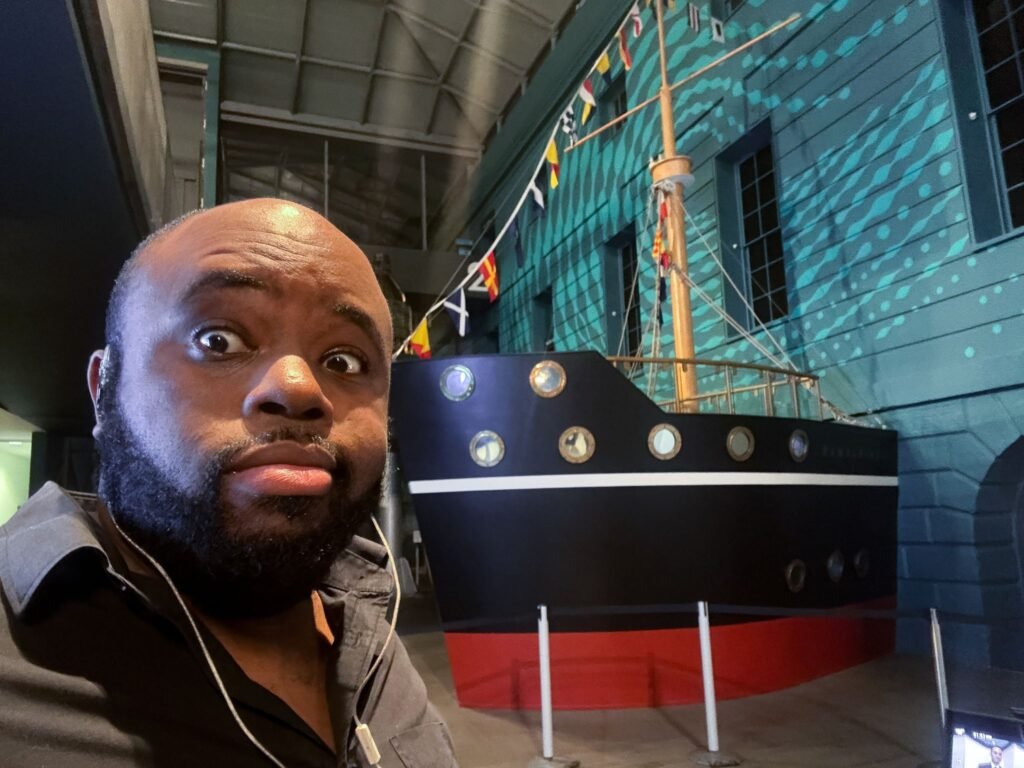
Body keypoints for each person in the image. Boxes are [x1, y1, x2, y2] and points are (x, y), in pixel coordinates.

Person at [0, 199, 458, 766]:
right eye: (219, 340)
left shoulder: (374, 630)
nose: (298, 388)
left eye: (343, 360)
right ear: (105, 387)